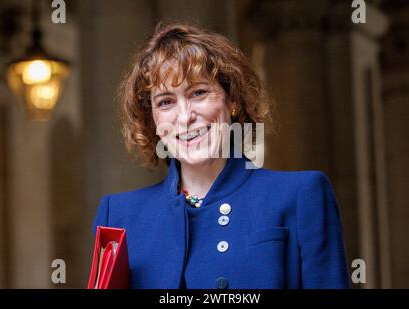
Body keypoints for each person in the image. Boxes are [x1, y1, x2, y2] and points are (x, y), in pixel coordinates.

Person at [93, 23, 350, 289]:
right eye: (166, 102)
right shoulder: (119, 216)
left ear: (233, 101)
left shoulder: (300, 196)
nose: (185, 117)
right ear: (153, 120)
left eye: (199, 93)